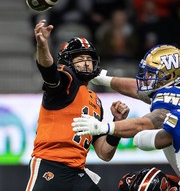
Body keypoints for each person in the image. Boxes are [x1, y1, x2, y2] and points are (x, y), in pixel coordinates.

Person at [72, 44, 180, 190]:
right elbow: (137, 89)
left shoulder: (170, 101)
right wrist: (104, 79)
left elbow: (147, 123)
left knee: (141, 185)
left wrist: (105, 128)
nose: (146, 78)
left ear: (170, 77)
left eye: (152, 73)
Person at [25, 19, 130, 191]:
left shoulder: (96, 100)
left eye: (89, 58)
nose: (87, 62)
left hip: (77, 172)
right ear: (68, 62)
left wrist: (116, 124)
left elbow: (104, 153)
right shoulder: (67, 80)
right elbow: (49, 73)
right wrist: (43, 46)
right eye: (80, 59)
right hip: (50, 165)